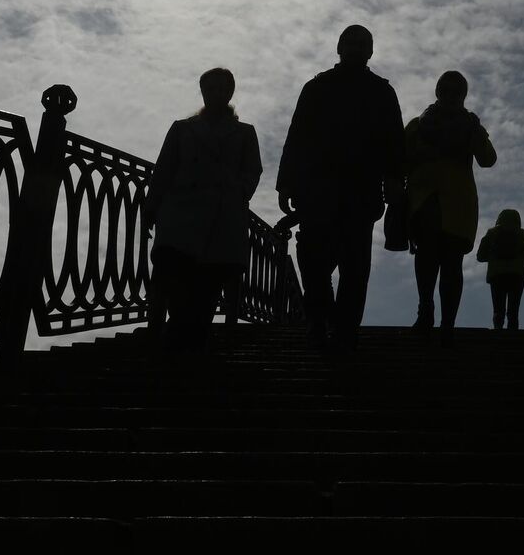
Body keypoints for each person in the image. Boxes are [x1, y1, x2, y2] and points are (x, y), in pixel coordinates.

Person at [277, 25, 405, 353]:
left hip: (360, 192)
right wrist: (287, 182)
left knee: (354, 265)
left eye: (363, 44)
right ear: (339, 47)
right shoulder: (317, 87)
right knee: (314, 261)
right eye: (351, 42)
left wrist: (393, 181)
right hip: (318, 190)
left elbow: (394, 142)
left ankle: (344, 329)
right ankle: (320, 320)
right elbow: (297, 135)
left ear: (370, 52)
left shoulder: (381, 92)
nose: (356, 48)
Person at [142, 68, 262, 356]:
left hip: (221, 220)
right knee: (174, 280)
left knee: (207, 287)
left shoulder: (244, 132)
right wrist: (152, 207)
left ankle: (189, 346)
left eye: (224, 88)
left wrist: (235, 191)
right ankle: (171, 343)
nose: (218, 93)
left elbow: (252, 171)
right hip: (180, 216)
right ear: (203, 91)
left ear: (230, 93)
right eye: (212, 88)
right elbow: (163, 170)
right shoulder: (182, 128)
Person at [404, 70, 496, 343]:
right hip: (433, 201)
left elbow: (488, 159)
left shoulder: (465, 126)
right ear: (439, 92)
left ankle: (441, 319)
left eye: (456, 91)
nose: (451, 95)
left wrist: (477, 131)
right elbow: (399, 160)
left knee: (444, 261)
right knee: (433, 258)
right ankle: (431, 313)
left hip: (452, 203)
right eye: (448, 90)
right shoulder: (419, 126)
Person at [475, 208, 524, 330]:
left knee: (498, 309)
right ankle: (512, 337)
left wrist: (492, 257)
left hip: (496, 274)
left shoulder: (491, 233)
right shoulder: (523, 234)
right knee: (513, 311)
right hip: (517, 275)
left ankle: (498, 334)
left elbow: (480, 256)